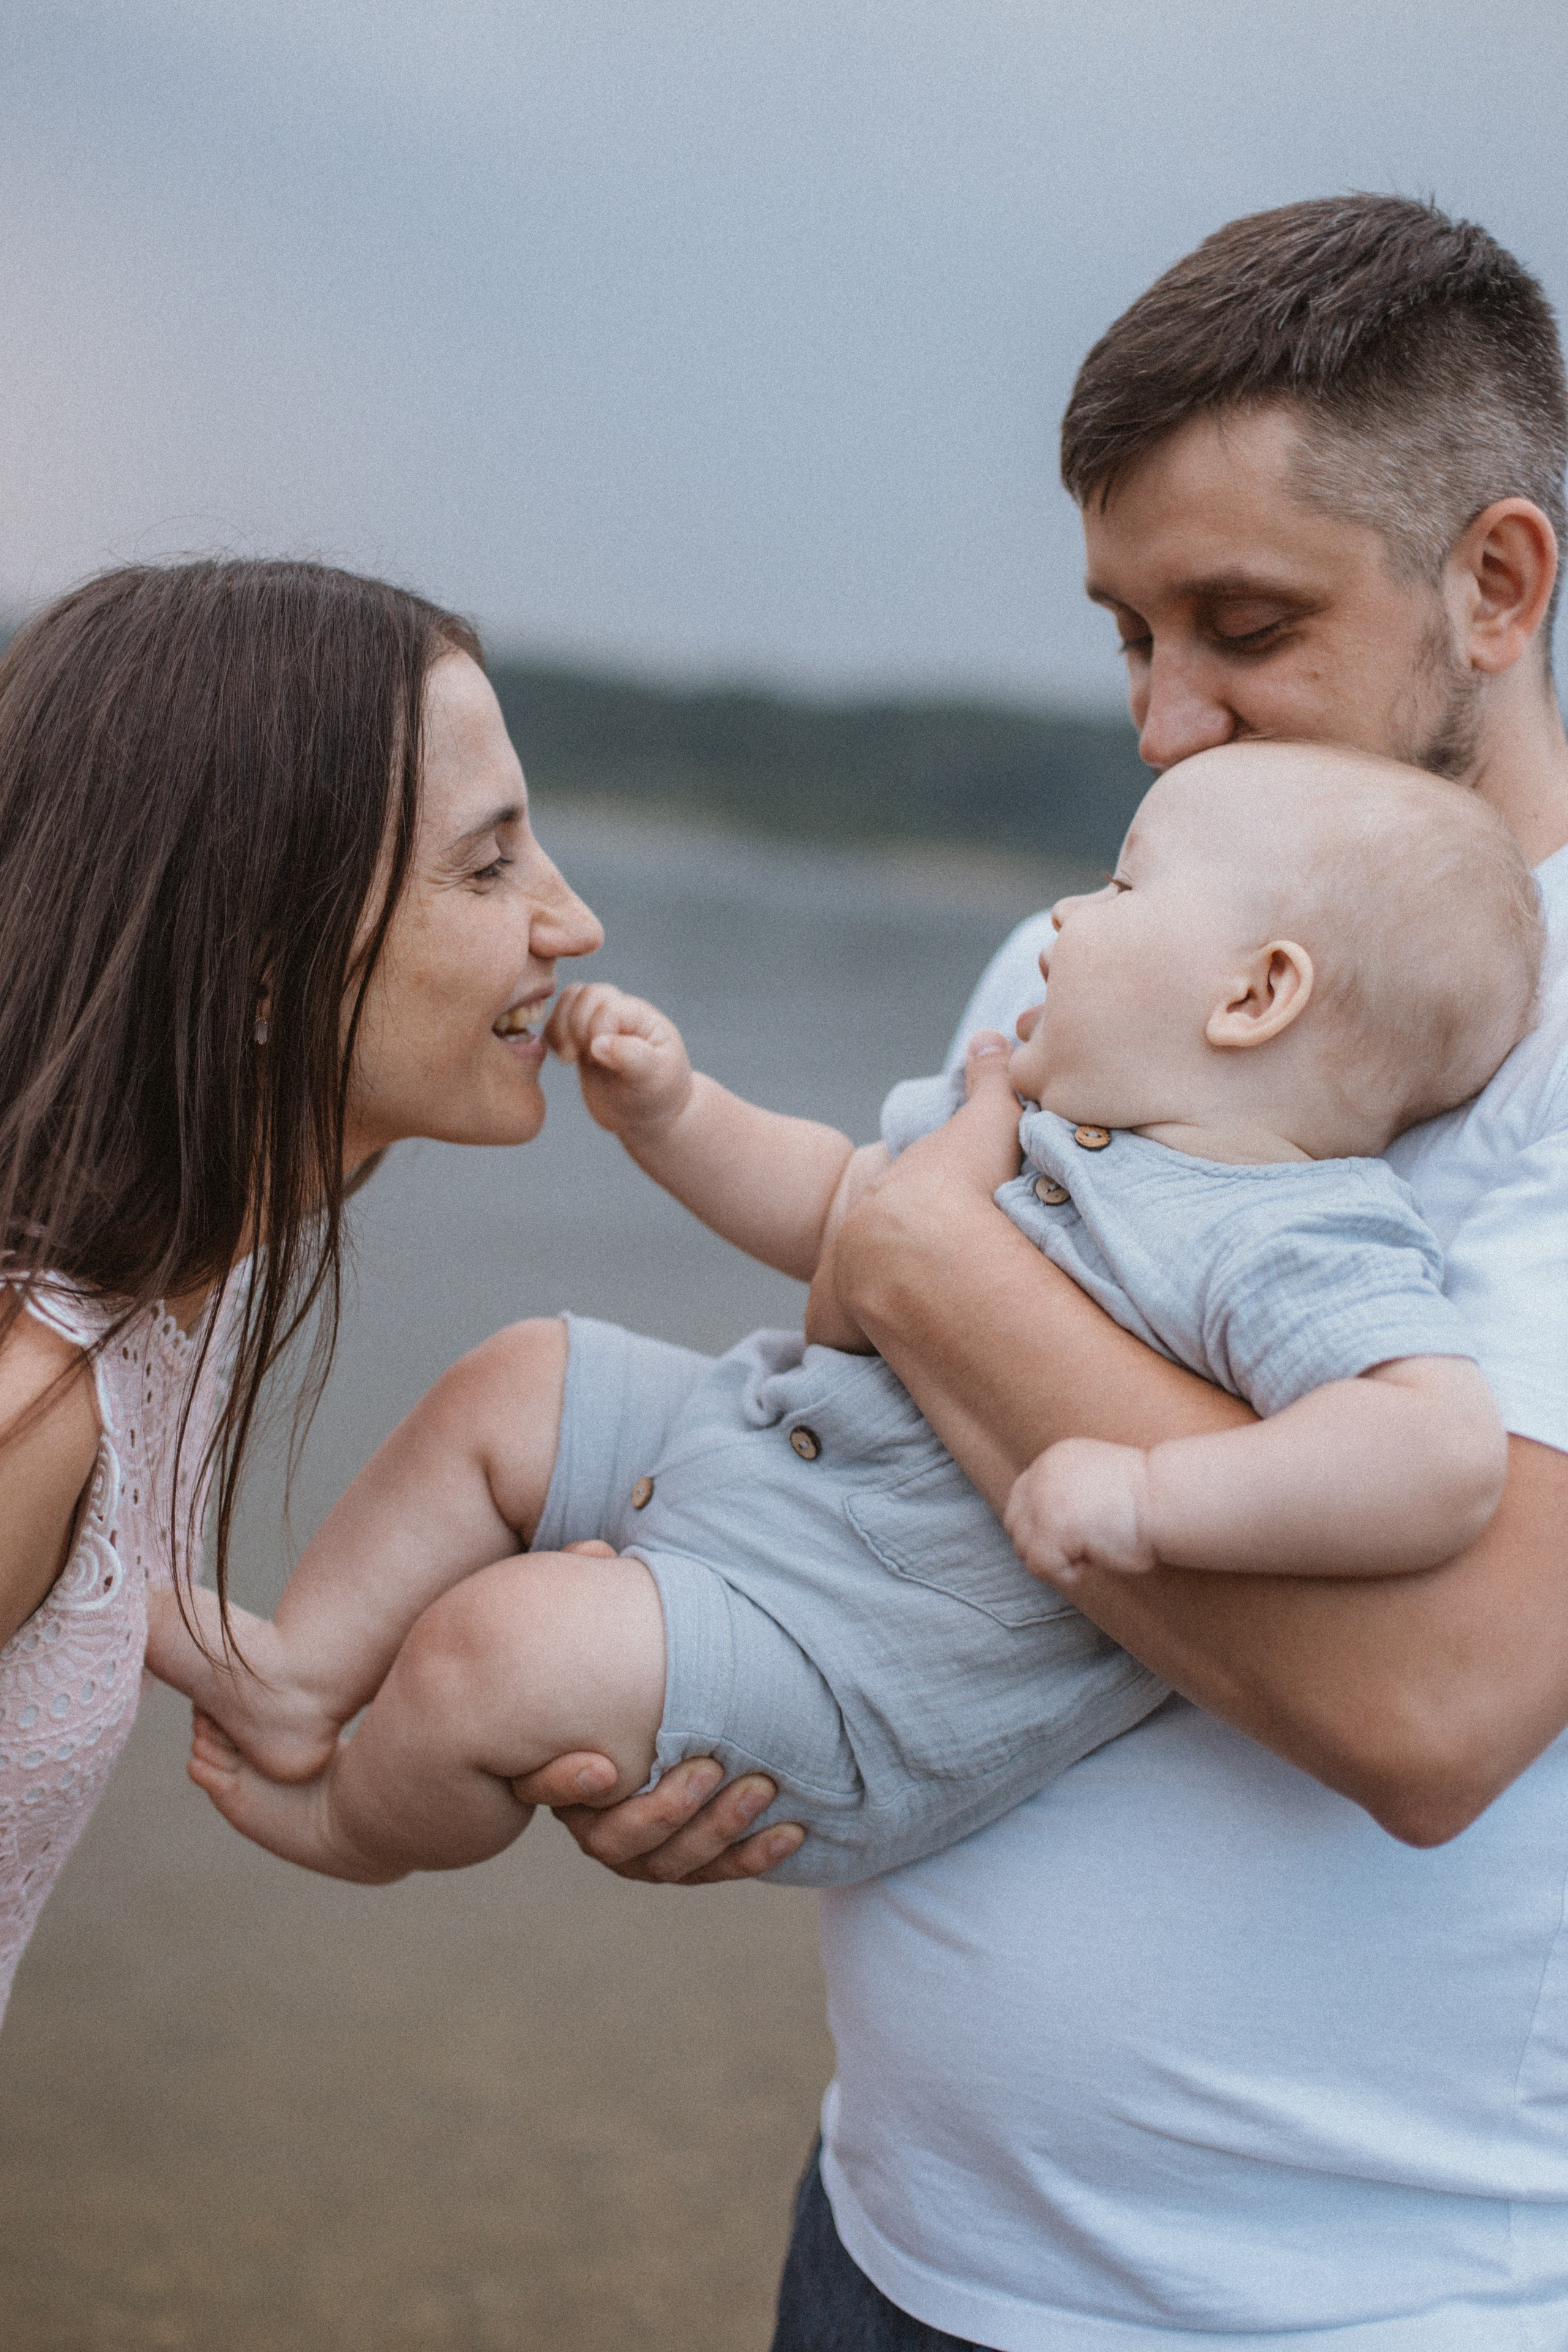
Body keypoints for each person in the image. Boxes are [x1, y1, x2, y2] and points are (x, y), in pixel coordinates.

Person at [515, 195, 1568, 2348]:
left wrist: (922, 1258)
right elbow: (860, 1424)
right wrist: (690, 1681)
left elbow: (1433, 1704)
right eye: (1126, 635)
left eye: (1245, 625)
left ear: (1496, 582)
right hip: (888, 2240)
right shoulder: (1084, 958)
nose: (1166, 721)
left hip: (1337, 2309)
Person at [148, 742, 1540, 1900]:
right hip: (770, 1455)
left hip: (850, 1656)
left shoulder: (1296, 1234)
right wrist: (676, 1115)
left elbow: (1433, 1448)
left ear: (1254, 994)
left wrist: (1157, 1495)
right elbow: (834, 1205)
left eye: (1121, 885)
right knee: (524, 1373)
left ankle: (355, 1825)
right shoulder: (1038, 1108)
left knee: (502, 1644)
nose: (1065, 917)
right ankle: (302, 1675)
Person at [0, 557, 602, 2021]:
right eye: (488, 867)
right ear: (263, 962)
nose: (571, 921)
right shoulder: (31, 1404)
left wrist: (283, 1673)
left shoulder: (170, 1282)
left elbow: (91, 1567)